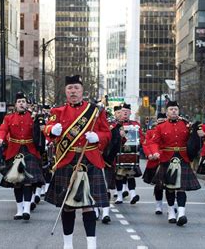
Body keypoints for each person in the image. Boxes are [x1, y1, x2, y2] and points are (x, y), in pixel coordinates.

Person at [44, 75, 111, 249]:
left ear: (82, 91)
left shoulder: (95, 111)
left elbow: (107, 133)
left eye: (76, 88)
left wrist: (98, 137)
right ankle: (68, 245)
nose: (73, 91)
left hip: (89, 159)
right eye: (70, 88)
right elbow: (47, 130)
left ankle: (91, 245)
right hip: (67, 160)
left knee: (88, 205)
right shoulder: (57, 112)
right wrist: (52, 130)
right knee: (68, 205)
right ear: (65, 91)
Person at [148, 101, 200, 226]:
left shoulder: (186, 125)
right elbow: (153, 142)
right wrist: (155, 152)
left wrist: (197, 133)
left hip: (182, 158)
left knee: (181, 189)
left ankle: (181, 214)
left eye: (175, 109)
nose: (173, 111)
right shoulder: (160, 127)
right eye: (171, 109)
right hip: (167, 159)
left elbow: (193, 139)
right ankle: (171, 211)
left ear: (178, 111)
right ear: (167, 112)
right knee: (170, 189)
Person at [0, 92, 44, 220]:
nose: (21, 103)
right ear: (15, 104)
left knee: (28, 182)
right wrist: (0, 138)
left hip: (30, 150)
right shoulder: (9, 118)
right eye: (19, 101)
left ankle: (27, 209)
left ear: (27, 104)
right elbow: (2, 130)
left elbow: (41, 133)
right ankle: (19, 209)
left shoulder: (33, 117)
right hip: (14, 151)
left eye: (23, 101)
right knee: (17, 182)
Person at [114, 103, 144, 205]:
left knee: (130, 175)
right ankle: (119, 196)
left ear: (130, 112)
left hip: (131, 154)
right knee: (119, 176)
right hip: (118, 154)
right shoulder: (114, 125)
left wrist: (137, 140)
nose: (125, 112)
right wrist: (119, 135)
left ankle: (133, 195)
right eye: (123, 111)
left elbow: (142, 138)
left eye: (127, 111)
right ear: (119, 113)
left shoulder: (135, 124)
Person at [100, 105, 123, 223]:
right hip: (91, 160)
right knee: (92, 188)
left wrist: (108, 159)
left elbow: (115, 144)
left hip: (106, 161)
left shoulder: (113, 128)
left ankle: (105, 212)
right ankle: (95, 210)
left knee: (106, 188)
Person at [142, 113, 166, 214]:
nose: (161, 124)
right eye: (159, 122)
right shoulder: (151, 132)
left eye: (163, 122)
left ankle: (171, 205)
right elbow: (147, 144)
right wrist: (149, 155)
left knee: (172, 185)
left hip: (168, 158)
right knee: (158, 185)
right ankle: (158, 205)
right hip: (155, 161)